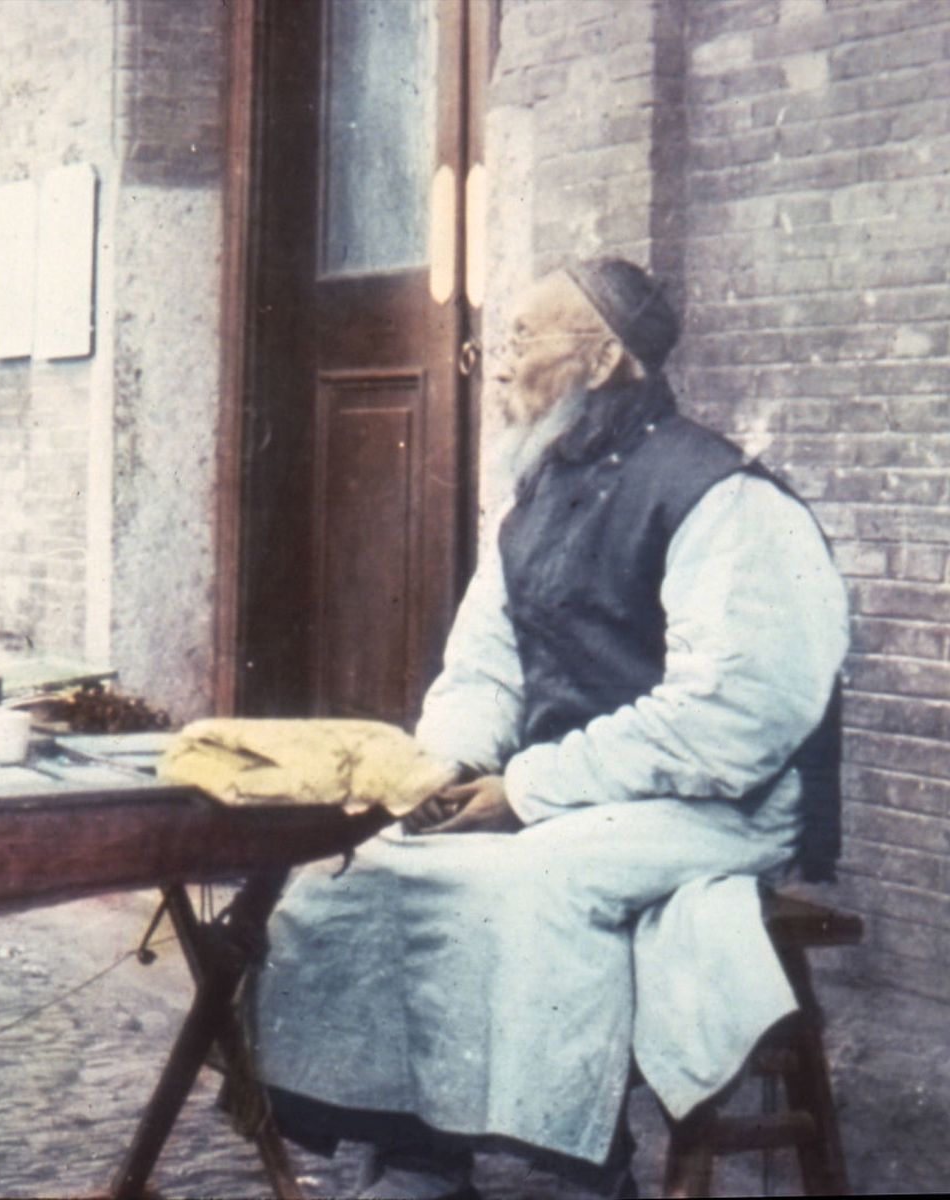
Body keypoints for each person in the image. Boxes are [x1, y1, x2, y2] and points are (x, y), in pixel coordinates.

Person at [252, 258, 849, 1199]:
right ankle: (416, 1149)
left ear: (604, 356)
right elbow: (485, 668)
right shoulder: (538, 499)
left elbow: (734, 719)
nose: (496, 365)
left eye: (522, 338)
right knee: (363, 868)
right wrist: (441, 770)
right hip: (578, 795)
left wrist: (527, 792)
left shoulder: (723, 498)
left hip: (721, 801)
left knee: (528, 886)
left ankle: (574, 1166)